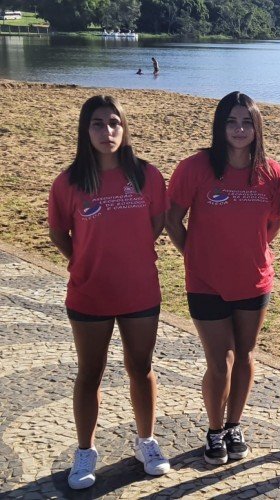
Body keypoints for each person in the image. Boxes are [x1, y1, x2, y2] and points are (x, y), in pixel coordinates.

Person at [48, 95, 171, 490]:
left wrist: (130, 256)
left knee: (141, 366)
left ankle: (146, 442)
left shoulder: (147, 175)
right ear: (86, 131)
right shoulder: (68, 182)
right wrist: (84, 260)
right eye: (98, 124)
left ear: (125, 127)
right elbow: (58, 234)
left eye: (114, 123)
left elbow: (155, 225)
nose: (107, 131)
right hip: (89, 293)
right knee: (90, 372)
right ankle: (85, 450)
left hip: (140, 291)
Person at [165, 91, 280, 465]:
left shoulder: (271, 172)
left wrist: (251, 252)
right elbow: (172, 219)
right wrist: (195, 255)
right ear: (220, 125)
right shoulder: (195, 167)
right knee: (220, 361)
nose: (239, 129)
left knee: (246, 355)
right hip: (206, 283)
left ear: (257, 128)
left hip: (253, 281)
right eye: (231, 122)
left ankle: (234, 425)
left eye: (247, 122)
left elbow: (274, 223)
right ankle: (214, 430)